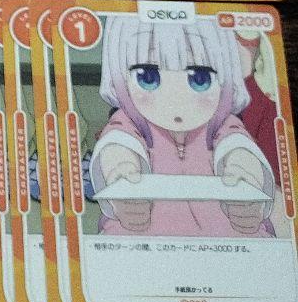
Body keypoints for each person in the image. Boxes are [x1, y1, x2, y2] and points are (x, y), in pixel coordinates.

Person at [88, 15, 275, 237]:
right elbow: (118, 146)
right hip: (146, 240)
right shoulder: (129, 122)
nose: (175, 97)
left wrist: (246, 182)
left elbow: (238, 148)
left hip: (225, 239)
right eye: (148, 77)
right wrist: (122, 179)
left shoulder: (222, 124)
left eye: (200, 78)